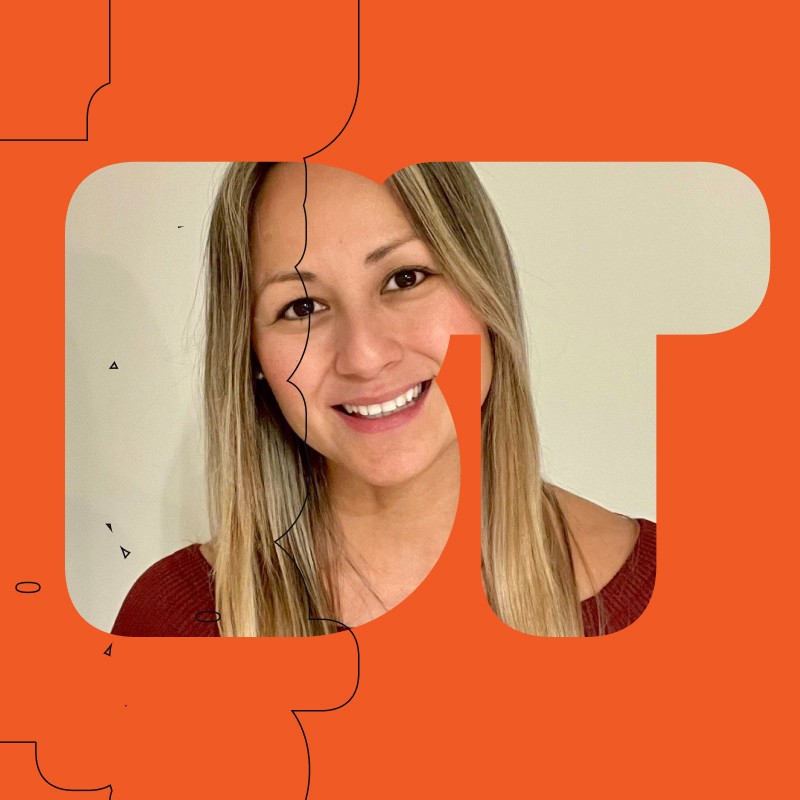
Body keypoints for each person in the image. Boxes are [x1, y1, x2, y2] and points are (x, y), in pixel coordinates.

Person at [111, 162, 655, 639]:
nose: (365, 356)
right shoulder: (170, 627)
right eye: (302, 308)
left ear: (485, 290)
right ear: (250, 354)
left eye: (404, 278)